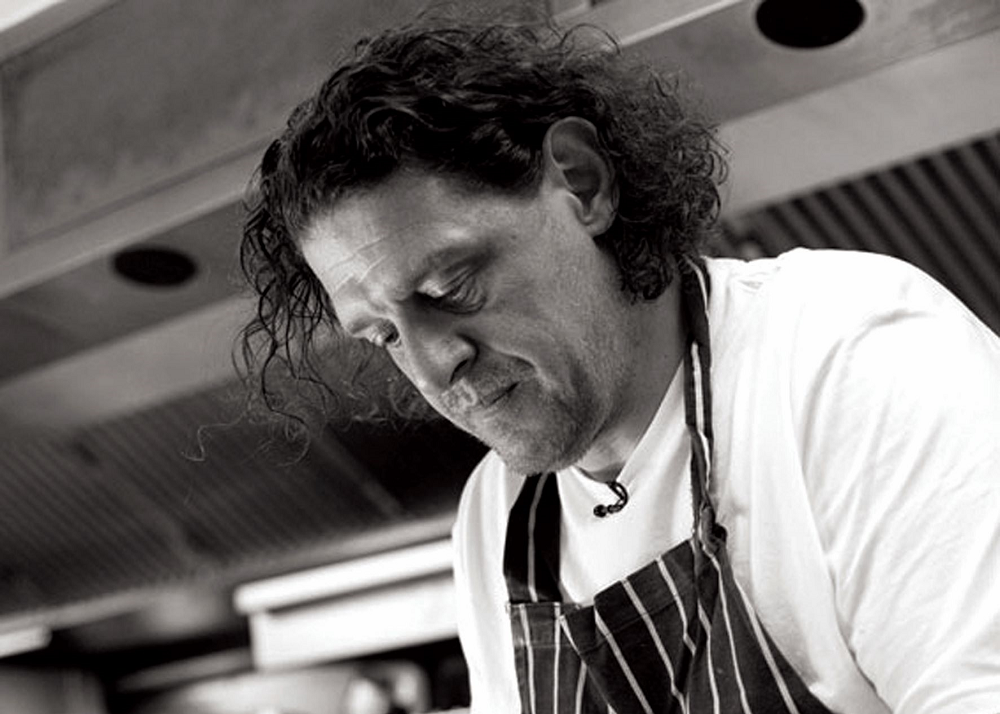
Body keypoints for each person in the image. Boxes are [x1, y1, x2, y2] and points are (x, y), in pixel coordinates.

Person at [237, 14, 1000, 714]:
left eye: (451, 288)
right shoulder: (501, 517)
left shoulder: (849, 354)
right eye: (383, 336)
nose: (436, 370)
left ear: (582, 182)